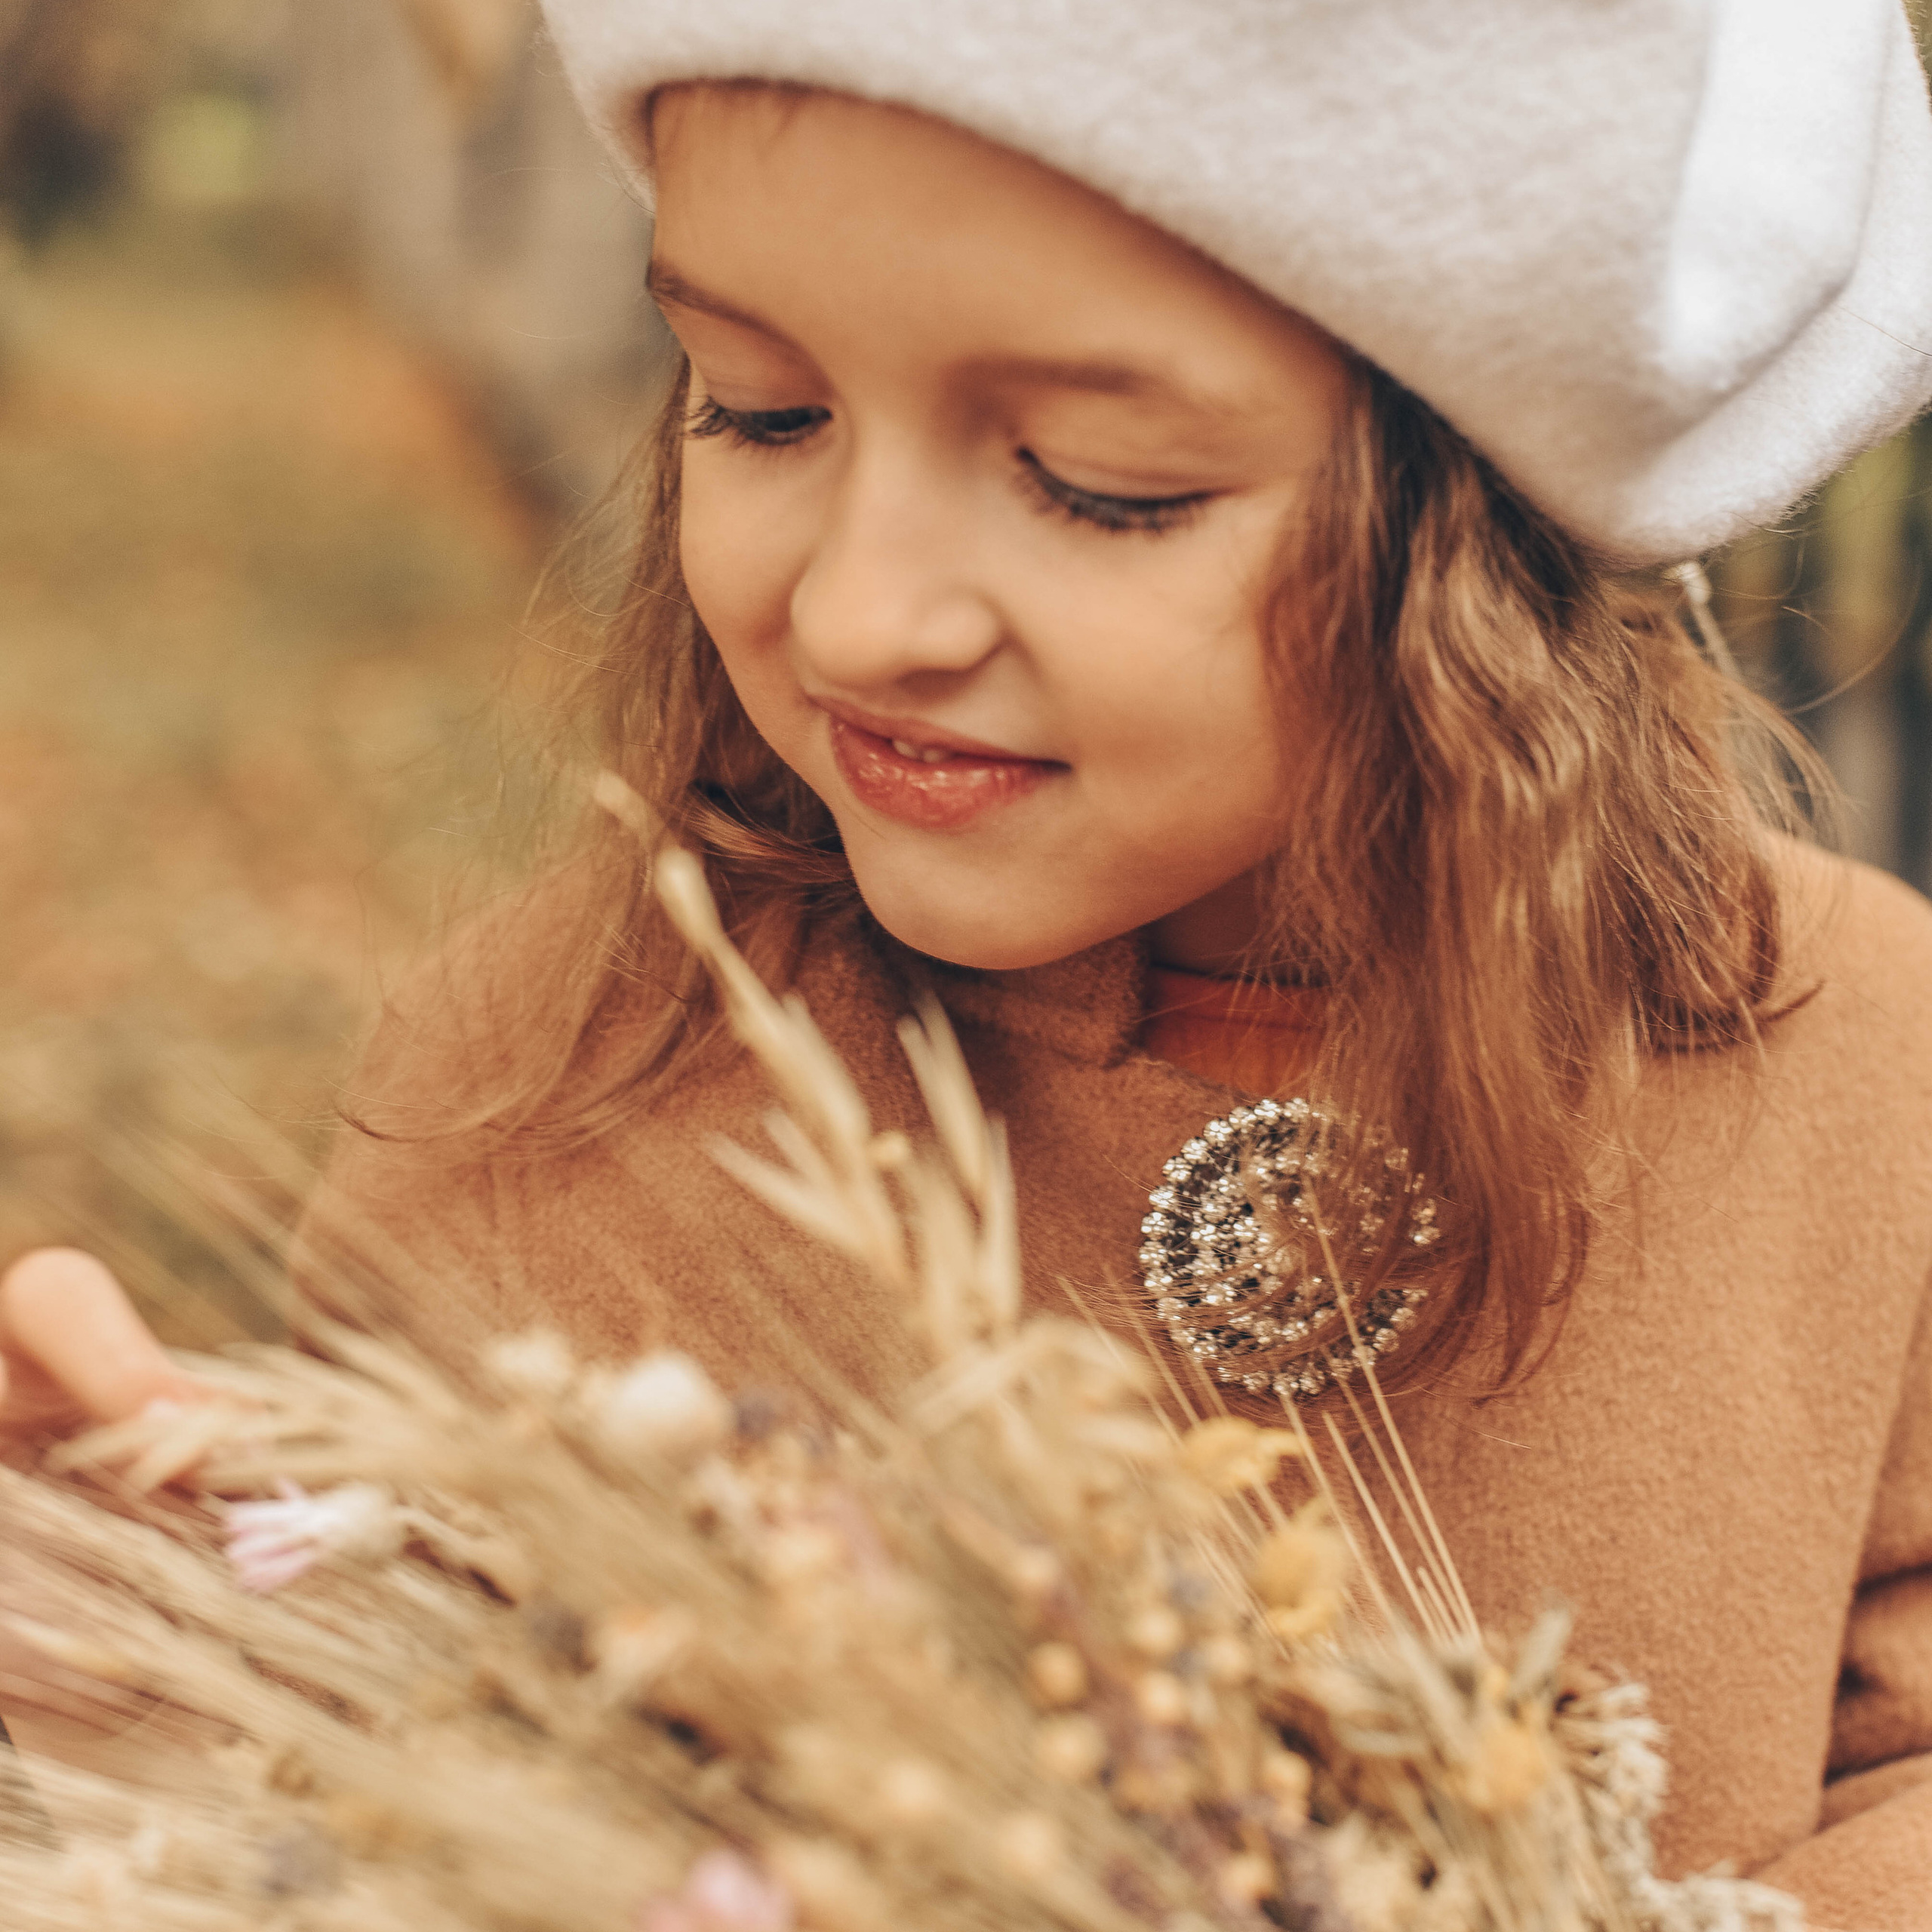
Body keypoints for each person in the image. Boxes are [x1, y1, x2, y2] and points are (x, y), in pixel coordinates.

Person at [7, 3, 1932, 1919]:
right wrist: (161, 1663)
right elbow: (398, 1786)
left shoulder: (1866, 1074)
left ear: (1486, 524)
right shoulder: (549, 1088)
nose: (858, 610)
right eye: (758, 407)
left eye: (1098, 479)